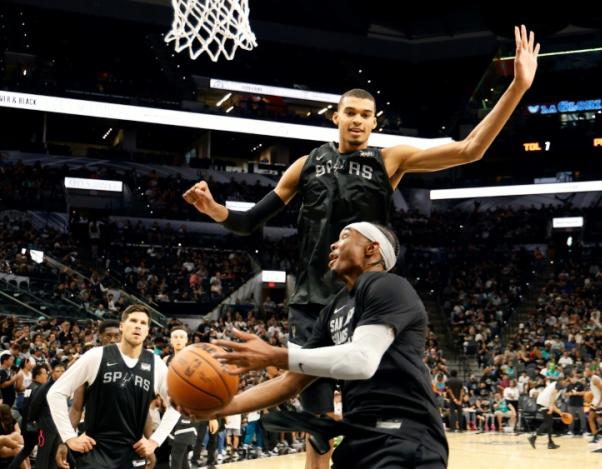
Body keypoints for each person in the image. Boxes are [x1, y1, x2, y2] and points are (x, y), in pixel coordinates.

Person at [183, 25, 541, 469]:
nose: (357, 120)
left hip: (365, 298)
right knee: (314, 419)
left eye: (365, 115)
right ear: (335, 116)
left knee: (374, 395)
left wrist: (517, 86)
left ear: (375, 123)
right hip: (314, 302)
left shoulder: (389, 159)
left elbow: (469, 149)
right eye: (349, 112)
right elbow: (251, 221)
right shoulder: (304, 165)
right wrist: (215, 210)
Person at [177, 223, 449, 468]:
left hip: (404, 435)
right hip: (360, 438)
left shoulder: (388, 285)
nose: (333, 244)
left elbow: (362, 361)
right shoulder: (333, 309)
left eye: (345, 236)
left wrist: (275, 355)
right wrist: (218, 408)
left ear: (372, 248)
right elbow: (290, 383)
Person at [47, 305, 181, 469]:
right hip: (95, 451)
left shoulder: (155, 364)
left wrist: (154, 441)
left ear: (147, 331)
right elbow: (56, 393)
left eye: (143, 323)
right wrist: (68, 437)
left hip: (133, 452)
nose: (138, 325)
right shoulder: (96, 355)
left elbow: (176, 404)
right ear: (122, 326)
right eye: (133, 320)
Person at [163, 326, 198, 469]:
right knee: (182, 456)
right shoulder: (165, 360)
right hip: (170, 410)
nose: (178, 339)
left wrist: (212, 417)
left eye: (181, 337)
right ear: (171, 341)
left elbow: (204, 388)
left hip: (188, 410)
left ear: (187, 341)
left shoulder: (194, 360)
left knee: (177, 452)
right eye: (175, 337)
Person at [6, 364, 49, 469]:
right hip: (36, 426)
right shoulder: (40, 389)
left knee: (25, 451)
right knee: (46, 451)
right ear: (37, 376)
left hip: (26, 425)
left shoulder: (29, 387)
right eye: (45, 373)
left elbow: (23, 406)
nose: (47, 376)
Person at [528, 376, 569, 450]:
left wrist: (560, 412)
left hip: (543, 403)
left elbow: (552, 401)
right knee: (548, 422)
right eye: (566, 381)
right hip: (543, 403)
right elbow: (552, 396)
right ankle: (533, 437)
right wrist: (550, 406)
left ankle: (550, 443)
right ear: (562, 380)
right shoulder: (558, 384)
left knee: (550, 422)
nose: (566, 383)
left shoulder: (556, 385)